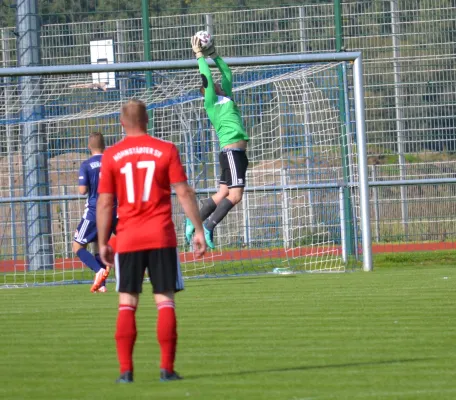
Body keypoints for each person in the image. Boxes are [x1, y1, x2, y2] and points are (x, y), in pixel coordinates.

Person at [96, 99, 206, 384]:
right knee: (165, 302)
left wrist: (103, 241)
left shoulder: (112, 155)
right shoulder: (165, 149)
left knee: (127, 303)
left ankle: (125, 371)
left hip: (129, 238)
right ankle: (167, 370)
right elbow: (184, 192)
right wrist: (198, 229)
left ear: (122, 122)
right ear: (148, 120)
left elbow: (105, 202)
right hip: (160, 236)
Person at [185, 35, 250, 249]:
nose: (215, 84)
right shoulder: (211, 102)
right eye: (211, 85)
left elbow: (227, 73)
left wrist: (214, 54)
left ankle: (192, 220)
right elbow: (205, 77)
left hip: (236, 154)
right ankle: (208, 226)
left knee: (223, 193)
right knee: (236, 195)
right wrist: (199, 56)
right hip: (232, 153)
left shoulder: (227, 97)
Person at [73, 132, 114, 293]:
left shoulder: (86, 165)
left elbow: (83, 190)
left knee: (77, 245)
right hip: (111, 210)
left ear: (89, 146)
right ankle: (102, 285)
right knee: (99, 245)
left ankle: (99, 270)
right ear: (104, 146)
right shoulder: (111, 163)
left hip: (94, 211)